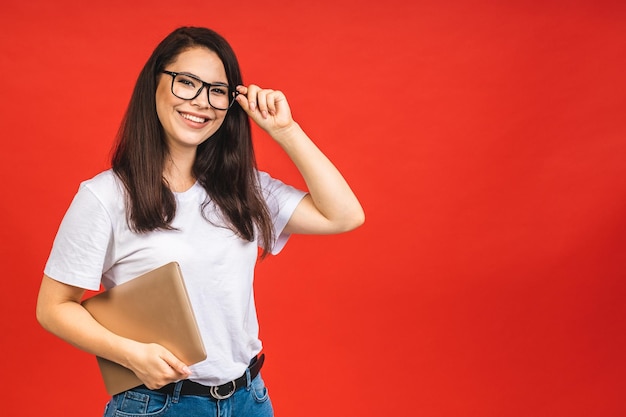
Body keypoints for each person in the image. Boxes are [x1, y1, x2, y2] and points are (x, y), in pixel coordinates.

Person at [36, 26, 364, 417]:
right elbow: (53, 307)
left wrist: (285, 131)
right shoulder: (105, 196)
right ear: (154, 84)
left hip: (248, 399)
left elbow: (344, 215)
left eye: (217, 91)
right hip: (158, 404)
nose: (201, 102)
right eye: (186, 83)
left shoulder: (243, 188)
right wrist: (131, 353)